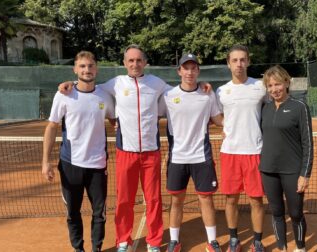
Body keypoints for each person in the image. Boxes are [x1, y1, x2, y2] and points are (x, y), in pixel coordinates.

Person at [58, 45, 211, 252]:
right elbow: (89, 85)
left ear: (145, 63)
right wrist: (71, 83)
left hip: (151, 153)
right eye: (130, 60)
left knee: (154, 200)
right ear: (124, 63)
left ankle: (154, 242)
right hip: (125, 152)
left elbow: (181, 90)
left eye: (139, 60)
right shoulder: (115, 84)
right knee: (124, 200)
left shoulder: (156, 84)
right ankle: (123, 240)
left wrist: (200, 83)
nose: (135, 64)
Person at [42, 51, 115, 252]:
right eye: (82, 66)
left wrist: (116, 124)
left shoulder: (105, 95)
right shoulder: (64, 94)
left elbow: (113, 118)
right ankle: (78, 248)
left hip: (98, 166)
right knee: (72, 212)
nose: (87, 70)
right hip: (70, 165)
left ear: (96, 69)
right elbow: (52, 126)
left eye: (90, 66)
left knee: (99, 213)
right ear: (75, 69)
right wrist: (45, 162)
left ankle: (96, 248)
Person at [159, 53, 224, 252]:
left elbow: (218, 120)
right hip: (177, 158)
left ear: (198, 71)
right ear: (179, 71)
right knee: (176, 200)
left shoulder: (207, 94)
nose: (189, 71)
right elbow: (150, 115)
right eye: (185, 68)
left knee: (206, 199)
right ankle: (174, 240)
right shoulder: (168, 96)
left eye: (193, 68)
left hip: (201, 157)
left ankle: (212, 241)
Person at [216, 45, 266, 252]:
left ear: (248, 61)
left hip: (255, 151)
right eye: (234, 60)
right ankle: (234, 240)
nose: (239, 64)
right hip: (230, 153)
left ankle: (257, 242)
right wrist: (224, 126)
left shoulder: (261, 87)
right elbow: (216, 115)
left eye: (242, 59)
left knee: (256, 200)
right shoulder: (221, 91)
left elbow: (274, 107)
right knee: (231, 199)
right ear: (228, 64)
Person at [259, 65, 313, 252]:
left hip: (293, 171)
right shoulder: (264, 108)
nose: (274, 89)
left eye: (278, 84)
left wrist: (304, 174)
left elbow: (308, 143)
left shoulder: (300, 107)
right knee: (276, 213)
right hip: (268, 170)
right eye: (270, 85)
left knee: (296, 213)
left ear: (287, 82)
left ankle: (300, 248)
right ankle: (282, 248)